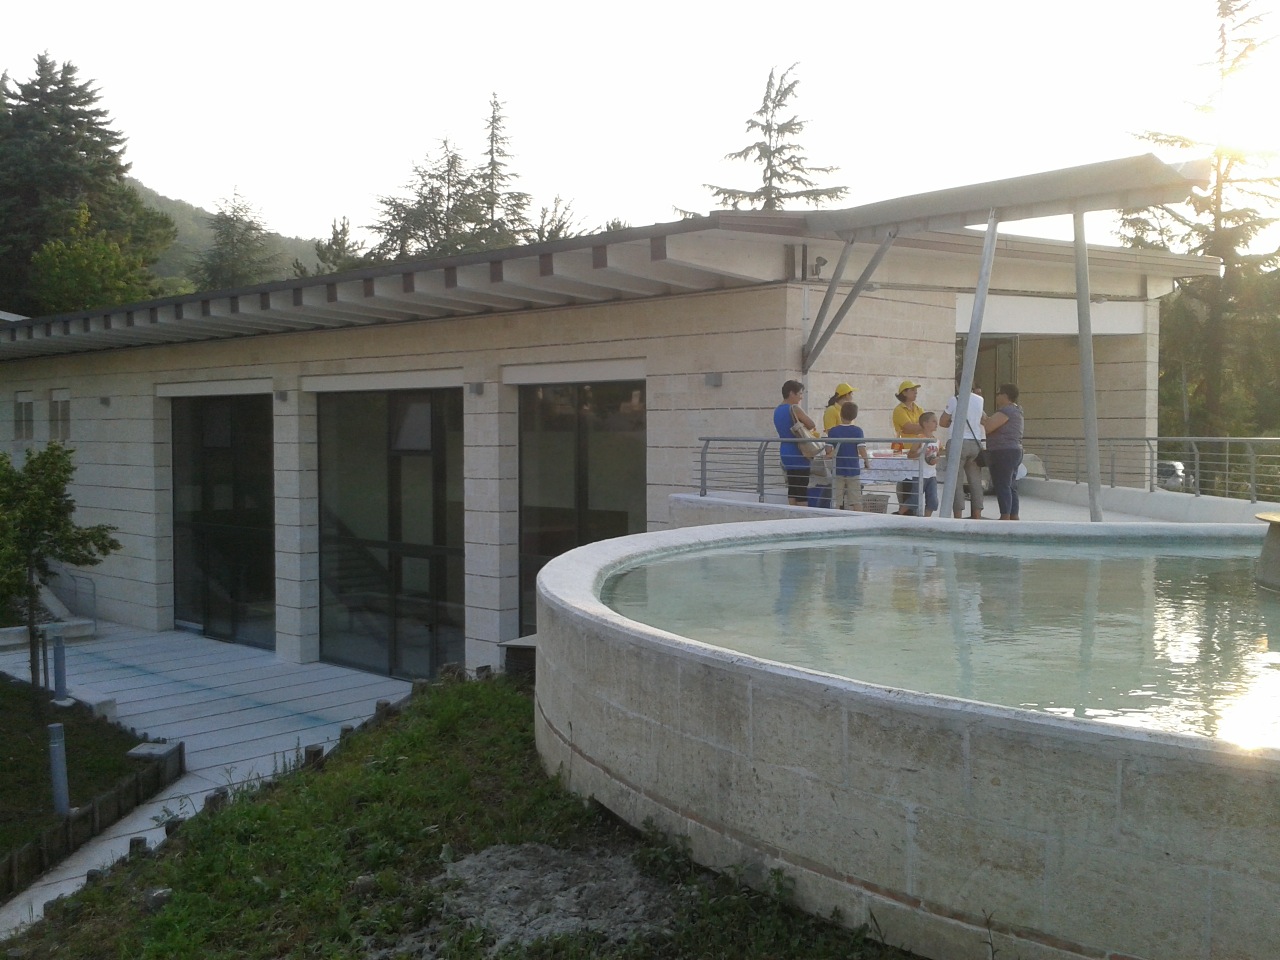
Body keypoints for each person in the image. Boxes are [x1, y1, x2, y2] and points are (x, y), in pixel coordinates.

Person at [940, 384, 987, 519]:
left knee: (956, 481)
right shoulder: (980, 400)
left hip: (957, 442)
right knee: (976, 481)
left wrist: (953, 422)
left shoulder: (954, 400)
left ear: (957, 384)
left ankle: (958, 515)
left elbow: (942, 422)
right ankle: (977, 514)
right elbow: (984, 419)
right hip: (975, 443)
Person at [773, 379, 817, 506]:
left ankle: (792, 513)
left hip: (785, 451)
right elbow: (811, 424)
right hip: (798, 451)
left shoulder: (777, 410)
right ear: (791, 393)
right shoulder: (794, 408)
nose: (801, 397)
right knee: (802, 488)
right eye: (800, 394)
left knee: (792, 487)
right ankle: (803, 516)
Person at [984, 383, 1024, 520]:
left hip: (1004, 451)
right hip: (1014, 451)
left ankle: (1005, 515)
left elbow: (989, 427)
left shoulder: (1007, 411)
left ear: (1005, 395)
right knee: (1011, 485)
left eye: (998, 394)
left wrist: (982, 419)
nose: (996, 397)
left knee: (1002, 484)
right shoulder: (1016, 410)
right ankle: (1013, 515)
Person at [827, 401, 870, 510]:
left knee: (836, 500)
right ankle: (859, 518)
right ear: (855, 416)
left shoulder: (833, 431)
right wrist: (866, 461)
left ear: (840, 414)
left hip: (837, 469)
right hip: (853, 469)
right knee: (856, 500)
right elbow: (861, 449)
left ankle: (835, 518)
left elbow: (828, 450)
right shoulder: (857, 431)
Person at [891, 379, 924, 514]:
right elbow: (909, 427)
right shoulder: (899, 410)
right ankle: (904, 509)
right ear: (904, 393)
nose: (916, 392)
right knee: (905, 481)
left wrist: (920, 427)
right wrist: (923, 427)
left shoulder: (918, 409)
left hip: (917, 449)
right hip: (904, 449)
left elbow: (923, 426)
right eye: (912, 390)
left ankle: (910, 509)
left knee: (915, 481)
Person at [904, 411, 940, 517]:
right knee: (915, 499)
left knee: (933, 500)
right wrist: (922, 453)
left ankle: (926, 519)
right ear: (925, 423)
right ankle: (899, 513)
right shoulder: (919, 438)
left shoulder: (936, 440)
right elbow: (910, 455)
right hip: (919, 474)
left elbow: (937, 454)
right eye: (933, 421)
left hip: (932, 474)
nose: (936, 423)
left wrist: (935, 459)